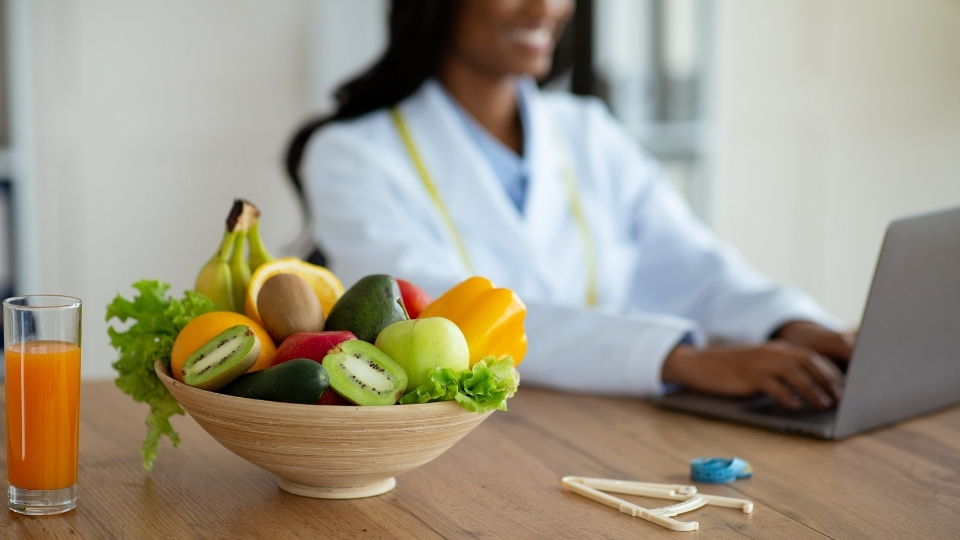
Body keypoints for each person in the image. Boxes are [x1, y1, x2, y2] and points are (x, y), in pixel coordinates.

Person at [285, 0, 855, 410]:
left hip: (616, 425)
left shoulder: (588, 131)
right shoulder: (351, 156)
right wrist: (675, 360)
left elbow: (693, 263)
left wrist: (793, 325)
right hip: (470, 449)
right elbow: (446, 322)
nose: (546, 8)